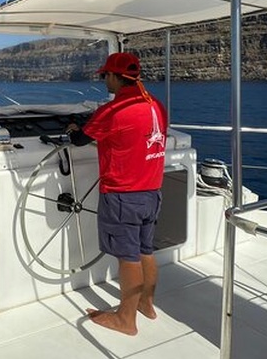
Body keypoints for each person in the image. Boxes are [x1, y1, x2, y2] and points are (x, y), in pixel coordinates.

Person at [65, 51, 167, 336]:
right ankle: (146, 305)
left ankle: (125, 319)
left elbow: (81, 138)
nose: (103, 80)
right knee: (145, 250)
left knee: (128, 257)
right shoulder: (155, 105)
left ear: (114, 76)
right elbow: (131, 140)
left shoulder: (112, 111)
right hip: (152, 191)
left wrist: (73, 128)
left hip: (123, 194)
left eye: (104, 75)